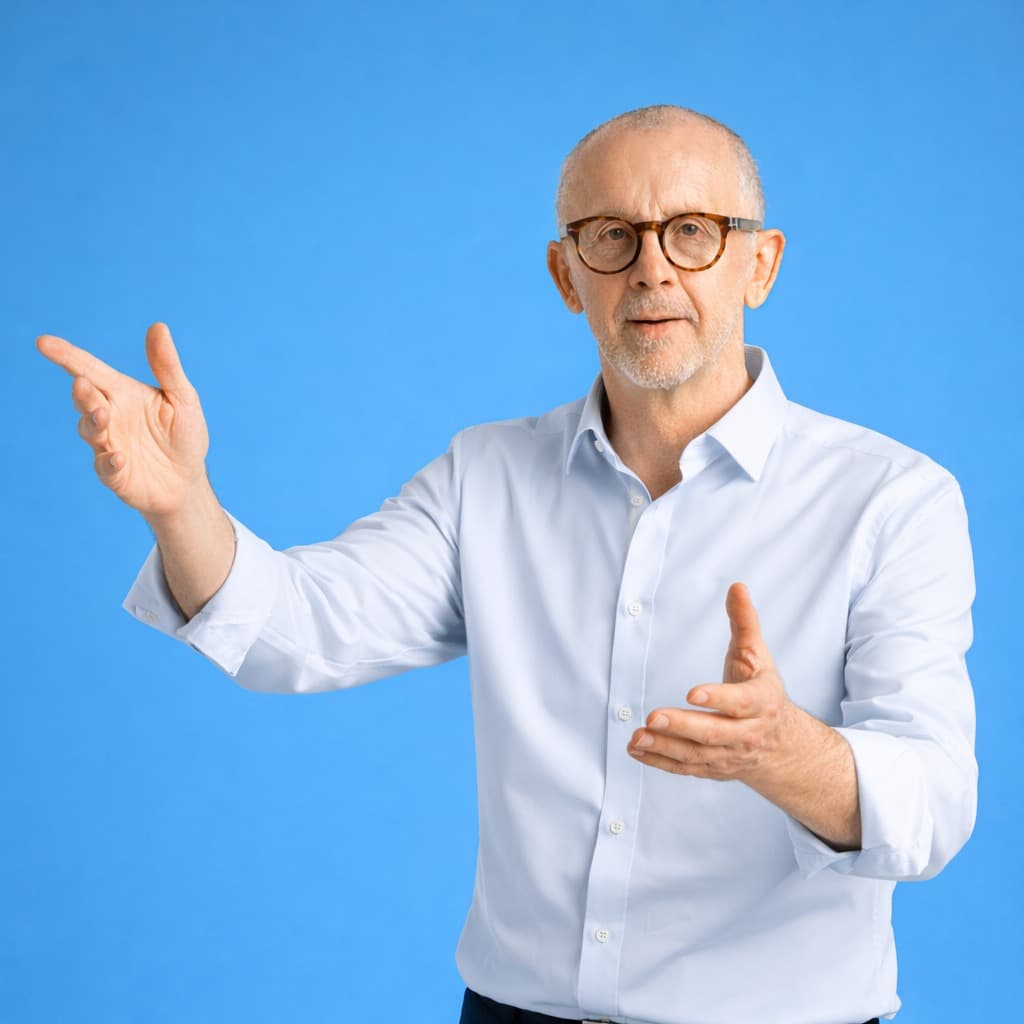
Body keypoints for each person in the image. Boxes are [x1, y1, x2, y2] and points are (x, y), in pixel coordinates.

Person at [36, 104, 976, 1024]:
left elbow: (933, 808)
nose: (651, 269)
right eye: (612, 235)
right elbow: (294, 631)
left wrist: (783, 753)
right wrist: (181, 503)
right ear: (568, 275)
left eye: (692, 231)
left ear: (759, 264)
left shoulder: (893, 499)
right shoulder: (484, 477)